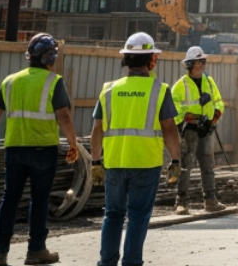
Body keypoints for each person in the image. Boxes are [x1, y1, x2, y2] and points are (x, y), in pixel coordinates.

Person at [0, 33, 80, 266]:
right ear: (51, 57)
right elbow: (64, 115)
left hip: (15, 148)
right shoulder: (53, 82)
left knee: (10, 199)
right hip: (43, 150)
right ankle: (36, 250)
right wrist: (73, 144)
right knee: (39, 199)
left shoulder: (10, 81)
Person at [90, 32, 180, 266]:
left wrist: (95, 162)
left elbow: (97, 129)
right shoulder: (159, 89)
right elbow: (169, 128)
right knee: (138, 216)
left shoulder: (108, 90)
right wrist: (176, 160)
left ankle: (106, 262)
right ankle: (131, 263)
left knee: (113, 215)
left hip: (115, 163)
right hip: (145, 163)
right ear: (152, 60)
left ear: (126, 60)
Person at [171, 45, 226, 214]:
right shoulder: (181, 85)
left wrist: (214, 118)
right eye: (197, 62)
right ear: (189, 65)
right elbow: (175, 109)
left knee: (208, 164)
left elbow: (219, 102)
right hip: (190, 129)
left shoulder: (209, 82)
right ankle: (182, 202)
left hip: (206, 128)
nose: (201, 65)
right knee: (187, 164)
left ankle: (210, 201)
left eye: (203, 61)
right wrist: (193, 118)